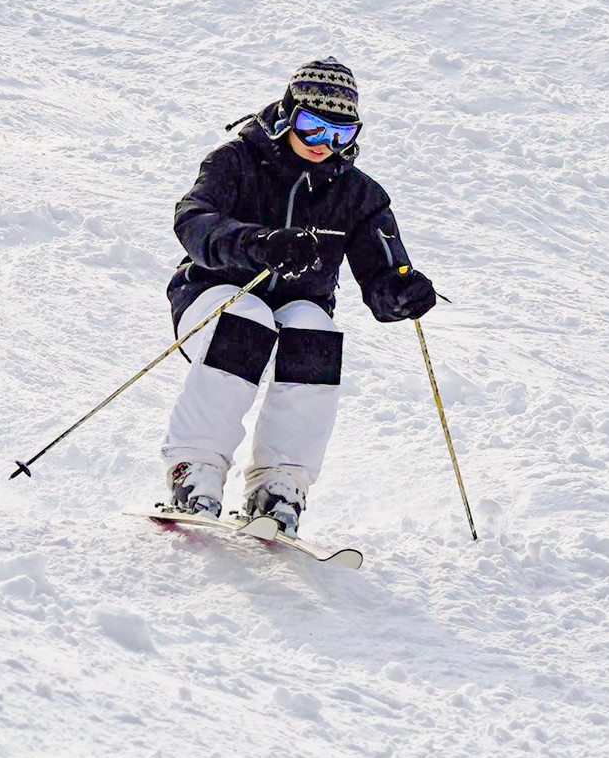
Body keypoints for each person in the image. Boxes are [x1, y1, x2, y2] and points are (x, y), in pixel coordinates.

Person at [161, 56, 436, 536]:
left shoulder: (359, 195)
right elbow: (193, 219)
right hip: (213, 296)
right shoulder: (236, 161)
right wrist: (256, 244)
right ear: (288, 113)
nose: (323, 145)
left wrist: (401, 293)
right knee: (245, 320)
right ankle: (195, 472)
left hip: (292, 315)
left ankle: (280, 487)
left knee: (315, 330)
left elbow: (384, 276)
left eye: (340, 134)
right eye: (312, 127)